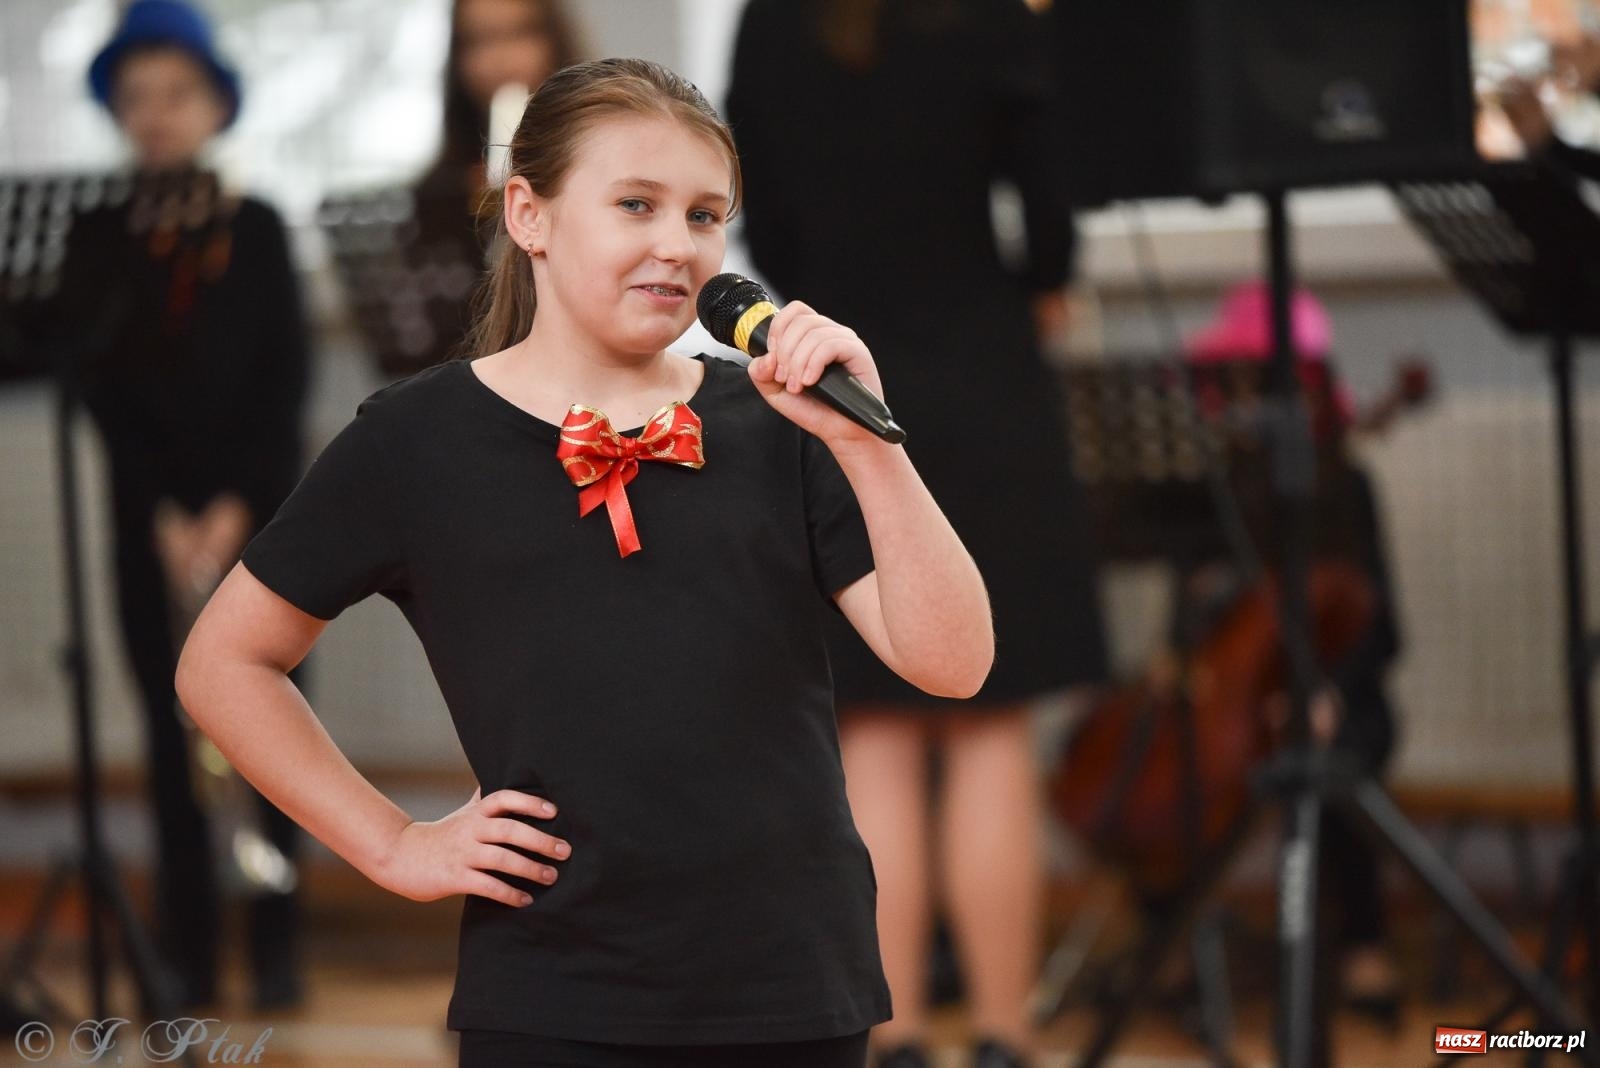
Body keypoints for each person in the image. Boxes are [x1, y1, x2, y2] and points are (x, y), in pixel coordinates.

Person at [175, 57, 993, 1067]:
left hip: (793, 983)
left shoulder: (778, 424)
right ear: (531, 215)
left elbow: (953, 664)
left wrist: (869, 448)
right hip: (553, 989)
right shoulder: (417, 441)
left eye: (704, 216)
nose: (676, 244)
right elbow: (223, 663)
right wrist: (392, 844)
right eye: (636, 204)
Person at [725, 3, 1108, 1065]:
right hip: (985, 374)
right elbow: (1052, 209)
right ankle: (1003, 1035)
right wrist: (1040, 287)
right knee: (991, 728)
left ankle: (889, 1041)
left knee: (873, 733)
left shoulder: (773, 22)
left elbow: (770, 227)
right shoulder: (990, 15)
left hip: (838, 379)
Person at [36, 0, 311, 1011]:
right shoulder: (99, 234)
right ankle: (188, 954)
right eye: (137, 96)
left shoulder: (259, 227)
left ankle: (277, 947)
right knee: (168, 732)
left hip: (261, 522)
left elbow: (283, 381)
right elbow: (104, 393)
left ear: (216, 105)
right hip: (145, 523)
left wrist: (232, 507)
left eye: (178, 93)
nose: (157, 114)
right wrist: (163, 514)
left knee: (277, 728)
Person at [1176, 281, 1404, 1024]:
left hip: (1339, 695)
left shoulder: (1348, 489)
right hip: (1231, 703)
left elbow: (1384, 633)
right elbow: (1188, 628)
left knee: (1328, 759)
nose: (1250, 401)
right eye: (1238, 382)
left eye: (1266, 382)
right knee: (1174, 770)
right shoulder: (1216, 491)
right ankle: (1186, 946)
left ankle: (1364, 944)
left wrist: (1323, 686)